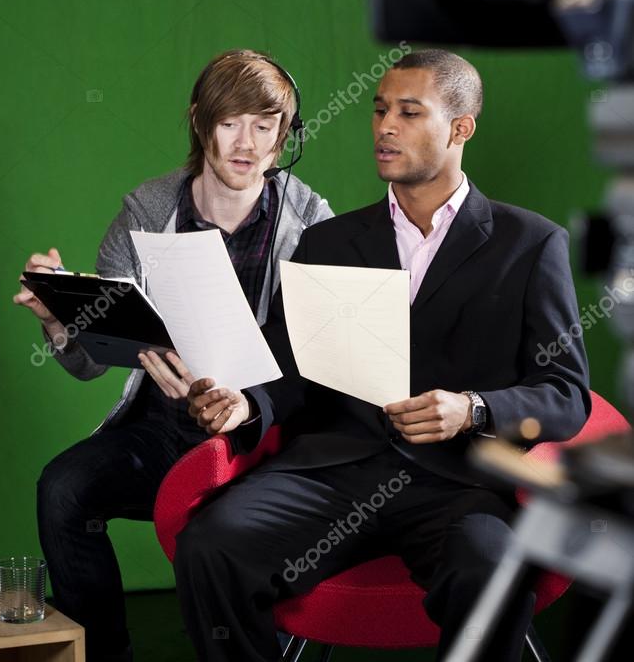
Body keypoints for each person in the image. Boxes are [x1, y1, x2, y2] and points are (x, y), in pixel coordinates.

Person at [175, 48, 590, 662]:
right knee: (211, 544)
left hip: (460, 485)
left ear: (460, 128)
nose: (384, 127)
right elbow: (292, 368)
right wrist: (247, 404)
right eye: (378, 110)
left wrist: (473, 408)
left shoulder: (529, 244)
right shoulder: (328, 240)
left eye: (408, 112)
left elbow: (565, 393)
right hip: (334, 472)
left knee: (492, 570)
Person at [12, 49, 332, 662]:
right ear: (199, 121)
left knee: (232, 544)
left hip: (264, 436)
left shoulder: (311, 222)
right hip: (165, 427)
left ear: (285, 136)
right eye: (230, 122)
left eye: (266, 126)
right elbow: (91, 362)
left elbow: (323, 359)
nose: (247, 143)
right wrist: (59, 318)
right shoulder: (145, 213)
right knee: (63, 488)